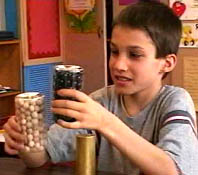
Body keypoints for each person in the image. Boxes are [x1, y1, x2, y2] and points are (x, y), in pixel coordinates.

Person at [3, 1, 198, 175]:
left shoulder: (175, 101)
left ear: (167, 63)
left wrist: (105, 122)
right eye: (114, 51)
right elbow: (41, 158)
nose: (119, 64)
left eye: (134, 55)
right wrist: (27, 140)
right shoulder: (101, 100)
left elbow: (174, 169)